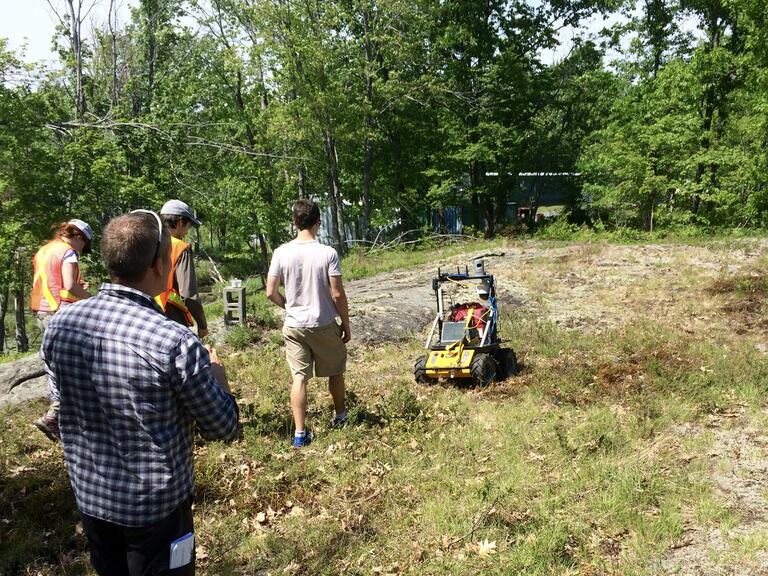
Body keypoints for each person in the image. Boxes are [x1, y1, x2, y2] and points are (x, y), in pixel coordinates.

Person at [40, 210, 239, 575]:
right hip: (157, 513)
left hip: (92, 497)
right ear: (159, 266)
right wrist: (217, 376)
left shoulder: (61, 326)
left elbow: (61, 401)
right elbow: (222, 426)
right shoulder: (173, 341)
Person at [266, 198, 351, 448]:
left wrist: (289, 306)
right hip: (323, 323)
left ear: (294, 222)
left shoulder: (281, 252)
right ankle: (341, 416)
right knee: (335, 371)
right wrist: (345, 323)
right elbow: (337, 294)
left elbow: (270, 291)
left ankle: (300, 433)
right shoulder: (328, 253)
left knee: (299, 378)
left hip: (294, 325)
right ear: (318, 222)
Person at [30, 219, 94, 441]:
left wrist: (77, 286)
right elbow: (69, 286)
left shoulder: (45, 250)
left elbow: (53, 281)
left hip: (42, 311)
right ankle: (54, 417)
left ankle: (59, 417)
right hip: (60, 314)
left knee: (54, 364)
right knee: (70, 366)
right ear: (78, 237)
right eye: (84, 244)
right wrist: (94, 299)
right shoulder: (68, 252)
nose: (83, 249)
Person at [158, 200, 208, 337]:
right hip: (172, 315)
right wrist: (202, 324)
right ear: (180, 222)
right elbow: (188, 295)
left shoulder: (151, 242)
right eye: (189, 225)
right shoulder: (180, 248)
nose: (187, 230)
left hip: (148, 313)